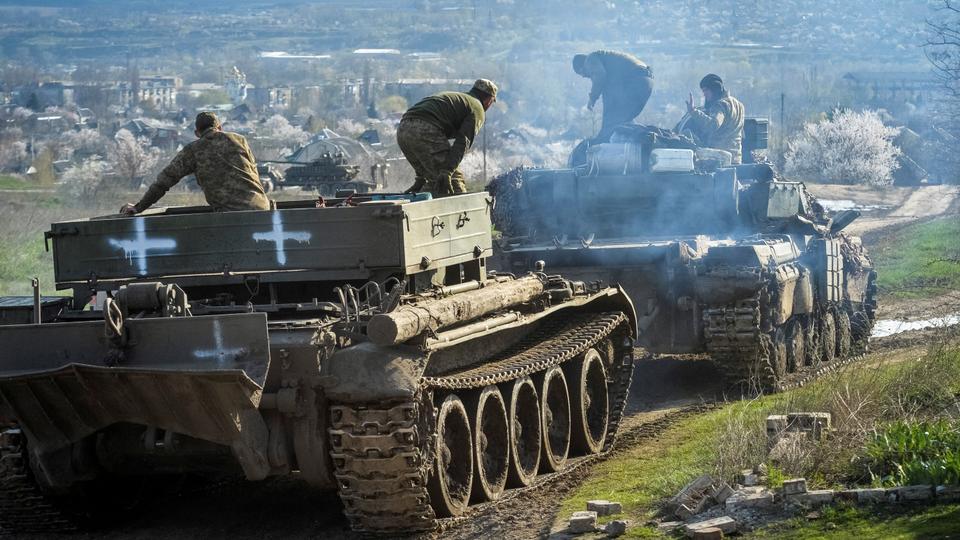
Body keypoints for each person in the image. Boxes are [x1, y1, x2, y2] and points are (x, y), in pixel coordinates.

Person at [120, 112, 271, 215]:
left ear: (197, 133)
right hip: (261, 208)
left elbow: (163, 183)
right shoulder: (240, 140)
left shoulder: (193, 150)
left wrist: (139, 207)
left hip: (229, 216)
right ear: (220, 128)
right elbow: (254, 173)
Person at [397, 79, 498, 196]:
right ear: (489, 100)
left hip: (403, 129)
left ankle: (423, 204)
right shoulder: (477, 108)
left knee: (434, 179)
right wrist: (448, 170)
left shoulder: (462, 99)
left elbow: (423, 146)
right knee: (452, 182)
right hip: (425, 128)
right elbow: (463, 142)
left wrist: (421, 177)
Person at [572, 50, 654, 143]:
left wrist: (592, 98)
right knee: (623, 121)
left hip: (635, 79)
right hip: (645, 81)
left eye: (581, 72)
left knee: (612, 122)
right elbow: (610, 104)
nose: (583, 76)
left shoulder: (591, 58)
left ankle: (604, 147)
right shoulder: (611, 75)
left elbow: (600, 76)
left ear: (583, 65)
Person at [685, 74, 745, 164]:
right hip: (736, 159)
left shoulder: (721, 105)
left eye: (706, 90)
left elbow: (713, 124)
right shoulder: (739, 105)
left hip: (720, 159)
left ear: (715, 89)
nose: (704, 94)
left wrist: (694, 112)